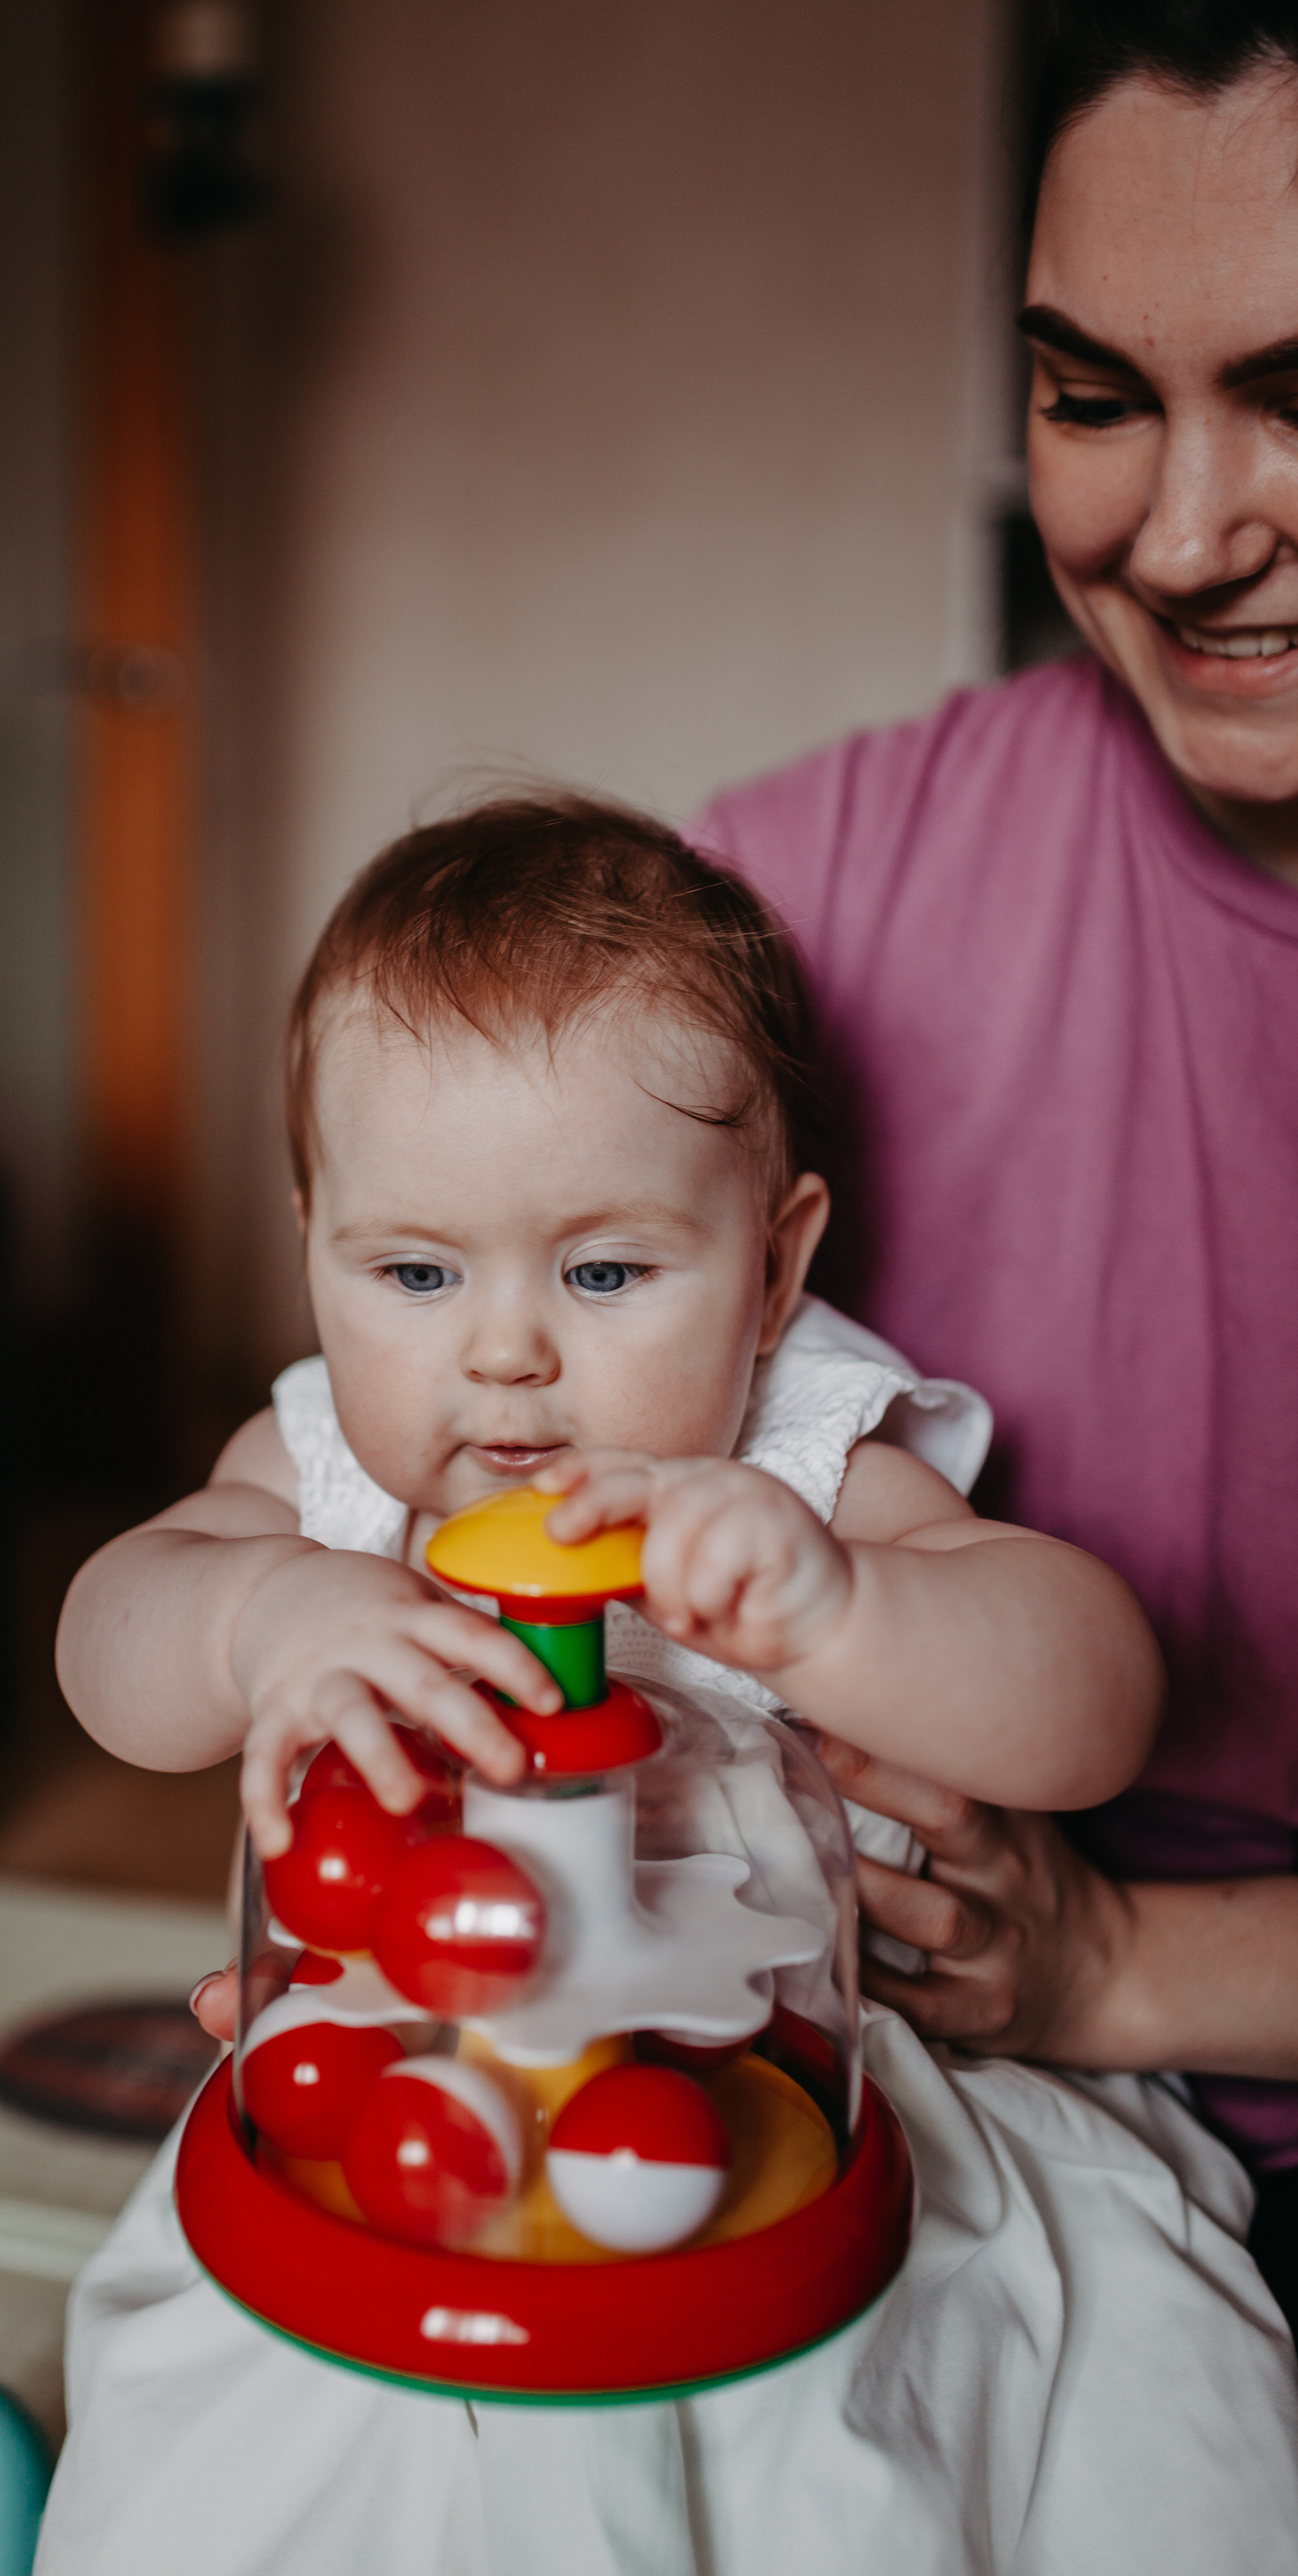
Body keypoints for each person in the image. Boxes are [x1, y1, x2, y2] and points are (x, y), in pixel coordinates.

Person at [34, 799, 1298, 2576]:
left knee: (918, 2446)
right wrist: (257, 1618)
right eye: (409, 1272)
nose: (503, 1352)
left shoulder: (796, 1461)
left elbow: (1100, 1705)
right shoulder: (323, 1471)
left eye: (609, 1270)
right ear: (313, 1235)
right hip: (424, 2091)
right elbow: (109, 1647)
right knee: (247, 2458)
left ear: (774, 1266)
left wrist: (839, 1609)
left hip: (812, 2092)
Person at [687, 0, 1298, 2330]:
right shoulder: (796, 911)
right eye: (1090, 394)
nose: (1181, 530)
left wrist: (1126, 1962)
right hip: (873, 2092)